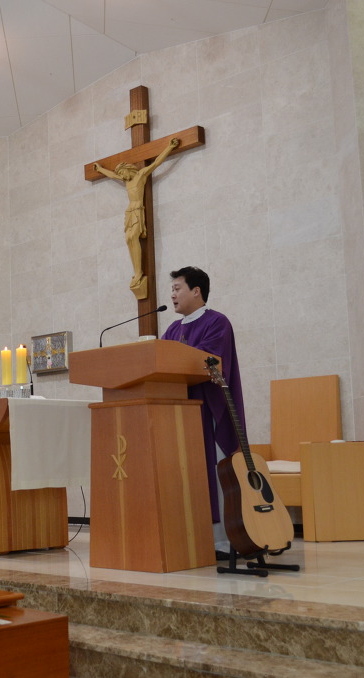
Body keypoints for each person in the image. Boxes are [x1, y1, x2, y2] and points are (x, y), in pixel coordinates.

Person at [160, 266, 246, 557]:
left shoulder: (217, 322)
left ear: (196, 291)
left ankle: (223, 541)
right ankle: (192, 539)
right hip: (179, 413)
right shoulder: (173, 330)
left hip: (209, 410)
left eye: (177, 288)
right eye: (172, 290)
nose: (172, 295)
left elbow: (209, 362)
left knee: (215, 473)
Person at [93, 137, 180, 299]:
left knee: (134, 236)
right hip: (130, 212)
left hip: (139, 210)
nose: (122, 177)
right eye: (121, 175)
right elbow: (112, 175)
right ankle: (136, 271)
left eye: (123, 173)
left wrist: (169, 147)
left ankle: (139, 272)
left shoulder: (140, 175)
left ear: (128, 169)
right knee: (128, 239)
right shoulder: (126, 181)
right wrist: (100, 169)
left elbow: (156, 163)